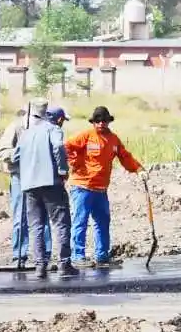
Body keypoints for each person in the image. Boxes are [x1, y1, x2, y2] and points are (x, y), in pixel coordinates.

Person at [63, 105, 147, 268]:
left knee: (102, 222)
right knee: (80, 221)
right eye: (97, 120)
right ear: (93, 122)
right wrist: (75, 162)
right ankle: (77, 256)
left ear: (109, 121)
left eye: (104, 120)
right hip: (82, 187)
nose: (101, 123)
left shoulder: (113, 140)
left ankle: (102, 256)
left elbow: (125, 156)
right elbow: (66, 147)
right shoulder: (86, 136)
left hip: (101, 189)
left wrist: (138, 169)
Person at [13, 103, 77, 279]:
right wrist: (62, 169)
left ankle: (40, 266)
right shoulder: (53, 129)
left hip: (30, 186)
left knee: (36, 227)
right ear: (58, 119)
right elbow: (58, 147)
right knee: (61, 223)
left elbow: (15, 156)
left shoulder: (27, 133)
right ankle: (65, 263)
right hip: (51, 183)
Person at [0, 100, 50, 268]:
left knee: (44, 218)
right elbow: (2, 151)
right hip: (20, 177)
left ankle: (44, 257)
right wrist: (20, 154)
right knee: (21, 217)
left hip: (42, 177)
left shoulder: (49, 127)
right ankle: (18, 256)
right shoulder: (16, 127)